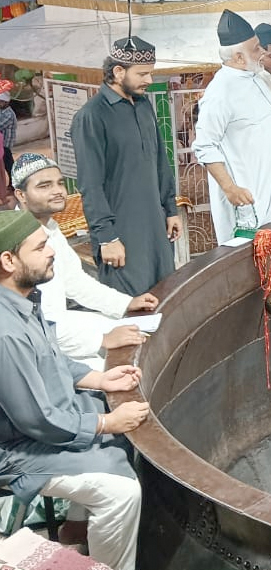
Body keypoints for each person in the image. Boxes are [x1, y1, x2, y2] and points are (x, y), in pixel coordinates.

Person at [0, 209, 149, 570]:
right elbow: (37, 419)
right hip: (17, 446)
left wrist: (100, 379)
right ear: (8, 261)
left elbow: (52, 358)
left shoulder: (23, 299)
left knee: (119, 427)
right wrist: (107, 423)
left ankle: (76, 528)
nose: (51, 252)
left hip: (42, 422)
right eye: (40, 248)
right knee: (122, 493)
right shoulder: (5, 332)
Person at [11, 154, 156, 371]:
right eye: (44, 186)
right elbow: (36, 324)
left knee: (138, 335)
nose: (58, 191)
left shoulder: (50, 229)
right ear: (21, 195)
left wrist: (125, 304)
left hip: (59, 328)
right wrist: (102, 340)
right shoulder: (19, 244)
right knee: (124, 372)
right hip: (35, 350)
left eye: (60, 183)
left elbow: (76, 283)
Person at [72, 36, 180, 296]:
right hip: (121, 233)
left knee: (166, 299)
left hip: (156, 228)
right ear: (119, 72)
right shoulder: (91, 116)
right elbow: (90, 184)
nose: (149, 80)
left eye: (150, 73)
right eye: (142, 74)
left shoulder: (143, 105)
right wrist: (107, 237)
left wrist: (171, 209)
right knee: (131, 308)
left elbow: (160, 161)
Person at [193, 11, 271, 243]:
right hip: (256, 200)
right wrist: (230, 189)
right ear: (238, 57)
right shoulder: (221, 92)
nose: (262, 53)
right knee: (259, 257)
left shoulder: (255, 78)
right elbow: (205, 146)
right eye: (256, 49)